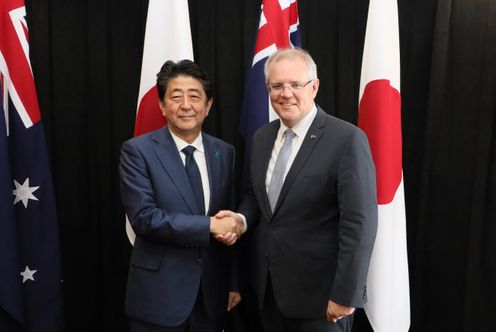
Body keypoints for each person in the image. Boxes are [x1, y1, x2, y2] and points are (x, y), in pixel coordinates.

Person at [216, 48, 378, 332]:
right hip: (270, 292)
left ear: (314, 87)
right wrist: (240, 221)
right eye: (277, 86)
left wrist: (345, 295)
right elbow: (259, 197)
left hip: (323, 299)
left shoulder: (347, 139)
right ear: (267, 89)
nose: (285, 93)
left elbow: (359, 224)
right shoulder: (262, 137)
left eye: (295, 84)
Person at [119, 59, 244, 332]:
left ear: (208, 105)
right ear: (162, 106)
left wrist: (234, 281)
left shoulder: (225, 152)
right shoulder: (138, 151)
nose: (186, 105)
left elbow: (230, 216)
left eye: (195, 97)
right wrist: (210, 225)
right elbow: (144, 218)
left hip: (211, 297)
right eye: (176, 97)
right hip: (158, 297)